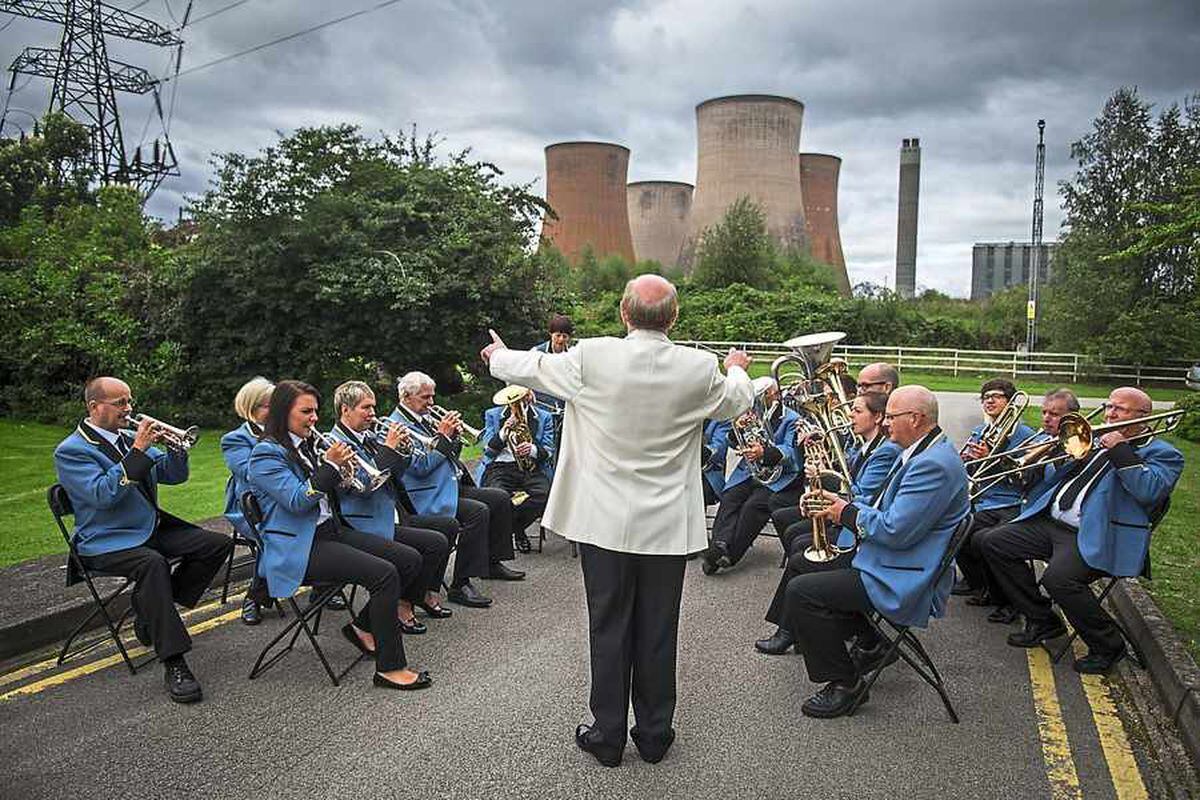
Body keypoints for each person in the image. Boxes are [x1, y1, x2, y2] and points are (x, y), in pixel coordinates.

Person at [481, 274, 753, 767]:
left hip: (603, 524)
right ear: (674, 318)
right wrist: (735, 368)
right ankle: (654, 734)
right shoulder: (699, 367)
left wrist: (497, 357)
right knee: (658, 629)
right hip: (667, 526)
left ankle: (607, 736)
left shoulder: (592, 355)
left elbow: (534, 367)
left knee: (608, 627)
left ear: (624, 314)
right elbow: (738, 401)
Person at [778, 386, 969, 718]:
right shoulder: (923, 451)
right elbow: (883, 506)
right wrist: (833, 502)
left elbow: (895, 531)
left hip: (903, 575)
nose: (885, 424)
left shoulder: (932, 465)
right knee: (805, 564)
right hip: (893, 560)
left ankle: (846, 684)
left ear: (916, 418)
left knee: (802, 593)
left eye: (892, 417)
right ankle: (871, 642)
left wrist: (843, 513)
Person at [54, 377, 234, 704]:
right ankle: (174, 661)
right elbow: (102, 495)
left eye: (129, 401)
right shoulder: (72, 451)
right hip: (103, 541)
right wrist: (137, 451)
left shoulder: (127, 437)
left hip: (147, 529)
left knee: (216, 544)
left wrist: (177, 450)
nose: (130, 409)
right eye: (120, 403)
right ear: (94, 407)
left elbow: (172, 475)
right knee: (153, 564)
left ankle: (152, 612)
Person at [978, 387, 1183, 673]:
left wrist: (1121, 449)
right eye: (1109, 406)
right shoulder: (1096, 440)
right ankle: (1043, 620)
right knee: (990, 541)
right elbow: (1061, 474)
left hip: (1093, 535)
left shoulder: (1163, 453)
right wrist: (1061, 452)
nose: (1110, 414)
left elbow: (1149, 491)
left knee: (1058, 579)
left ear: (1143, 417)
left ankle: (1108, 645)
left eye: (1120, 409)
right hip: (1051, 523)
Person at [248, 380, 431, 690]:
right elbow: (297, 500)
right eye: (306, 412)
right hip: (299, 547)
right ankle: (390, 668)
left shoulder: (304, 444)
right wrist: (332, 465)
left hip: (329, 531)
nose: (315, 419)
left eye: (316, 411)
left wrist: (346, 472)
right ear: (282, 413)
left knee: (409, 559)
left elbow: (339, 486)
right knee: (384, 574)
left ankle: (362, 627)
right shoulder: (266, 456)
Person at [756, 390, 902, 654]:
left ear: (878, 417)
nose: (849, 415)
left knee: (801, 553)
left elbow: (860, 494)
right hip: (853, 524)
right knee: (797, 540)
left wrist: (826, 477)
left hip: (859, 531)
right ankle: (796, 627)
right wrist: (819, 462)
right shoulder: (866, 445)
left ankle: (793, 628)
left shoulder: (885, 451)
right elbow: (848, 476)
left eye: (857, 411)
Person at [389, 372, 523, 609]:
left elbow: (450, 454)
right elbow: (421, 468)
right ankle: (461, 583)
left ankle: (491, 562)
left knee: (500, 498)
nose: (431, 402)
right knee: (477, 512)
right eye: (425, 397)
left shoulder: (424, 416)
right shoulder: (397, 426)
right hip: (427, 494)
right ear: (406, 397)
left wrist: (456, 436)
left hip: (451, 484)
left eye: (432, 396)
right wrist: (443, 436)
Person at [328, 380, 455, 631]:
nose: (373, 414)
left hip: (387, 516)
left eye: (373, 407)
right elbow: (363, 486)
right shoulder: (336, 445)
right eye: (366, 408)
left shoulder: (369, 437)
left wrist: (403, 451)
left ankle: (408, 599)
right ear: (345, 410)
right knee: (412, 558)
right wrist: (388, 450)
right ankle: (395, 609)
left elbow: (396, 473)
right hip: (361, 523)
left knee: (437, 541)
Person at [953, 379, 1035, 619]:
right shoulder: (980, 431)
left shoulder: (1024, 435)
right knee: (954, 526)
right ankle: (979, 584)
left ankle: (1008, 599)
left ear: (1010, 402)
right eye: (985, 397)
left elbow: (1025, 478)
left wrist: (995, 457)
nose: (989, 400)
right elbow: (970, 472)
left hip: (1010, 503)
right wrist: (967, 461)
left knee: (985, 540)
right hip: (983, 500)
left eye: (997, 396)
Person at [702, 377, 801, 575]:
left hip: (778, 477)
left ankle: (728, 555)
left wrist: (765, 453)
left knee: (753, 507)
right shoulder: (752, 415)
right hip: (748, 472)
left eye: (761, 398)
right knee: (731, 497)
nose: (756, 405)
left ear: (774, 395)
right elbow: (732, 445)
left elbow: (790, 453)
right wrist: (737, 430)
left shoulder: (791, 419)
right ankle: (720, 544)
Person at [221, 376, 276, 626]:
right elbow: (251, 474)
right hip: (250, 508)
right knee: (278, 534)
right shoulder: (234, 439)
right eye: (268, 406)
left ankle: (322, 587)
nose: (275, 411)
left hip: (279, 501)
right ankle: (255, 595)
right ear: (250, 409)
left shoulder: (285, 432)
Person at [475, 385, 555, 553]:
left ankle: (515, 528)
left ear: (529, 393)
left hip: (530, 467)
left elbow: (548, 451)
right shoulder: (493, 415)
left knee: (544, 495)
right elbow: (488, 450)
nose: (517, 400)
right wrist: (504, 431)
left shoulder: (543, 417)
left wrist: (532, 449)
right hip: (501, 465)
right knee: (497, 496)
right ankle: (514, 533)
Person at [531, 314, 573, 465]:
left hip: (564, 411)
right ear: (551, 334)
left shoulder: (572, 355)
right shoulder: (536, 353)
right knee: (543, 447)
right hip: (541, 409)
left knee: (564, 450)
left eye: (565, 336)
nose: (561, 340)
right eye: (558, 335)